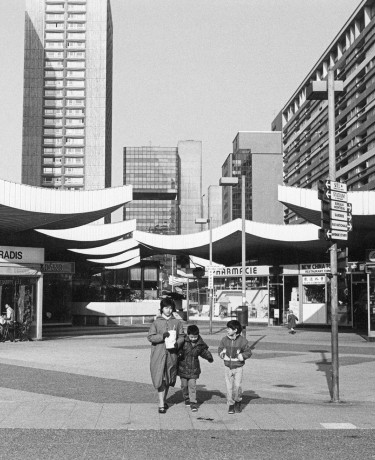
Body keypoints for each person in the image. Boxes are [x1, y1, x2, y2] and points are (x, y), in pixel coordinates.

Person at [147, 297, 184, 414]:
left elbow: (182, 336)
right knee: (159, 378)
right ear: (161, 309)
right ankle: (161, 403)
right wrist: (162, 336)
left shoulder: (177, 322)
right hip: (158, 354)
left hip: (171, 354)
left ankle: (163, 400)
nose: (168, 310)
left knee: (168, 377)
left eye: (170, 308)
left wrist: (177, 344)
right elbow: (150, 337)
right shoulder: (156, 322)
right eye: (166, 308)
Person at [218, 320, 252, 414]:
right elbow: (220, 349)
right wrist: (222, 354)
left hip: (238, 367)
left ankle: (238, 401)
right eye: (227, 328)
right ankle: (231, 405)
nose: (227, 330)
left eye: (229, 328)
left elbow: (248, 352)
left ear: (235, 330)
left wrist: (242, 356)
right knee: (229, 387)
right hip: (227, 367)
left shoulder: (243, 341)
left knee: (237, 386)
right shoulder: (224, 340)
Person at [177, 324, 213, 412]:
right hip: (183, 368)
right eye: (192, 337)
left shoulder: (200, 343)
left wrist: (209, 357)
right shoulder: (183, 341)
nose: (193, 339)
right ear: (188, 335)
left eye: (195, 337)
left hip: (194, 369)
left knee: (192, 386)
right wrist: (178, 353)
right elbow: (177, 348)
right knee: (184, 386)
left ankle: (193, 403)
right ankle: (186, 398)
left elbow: (204, 351)